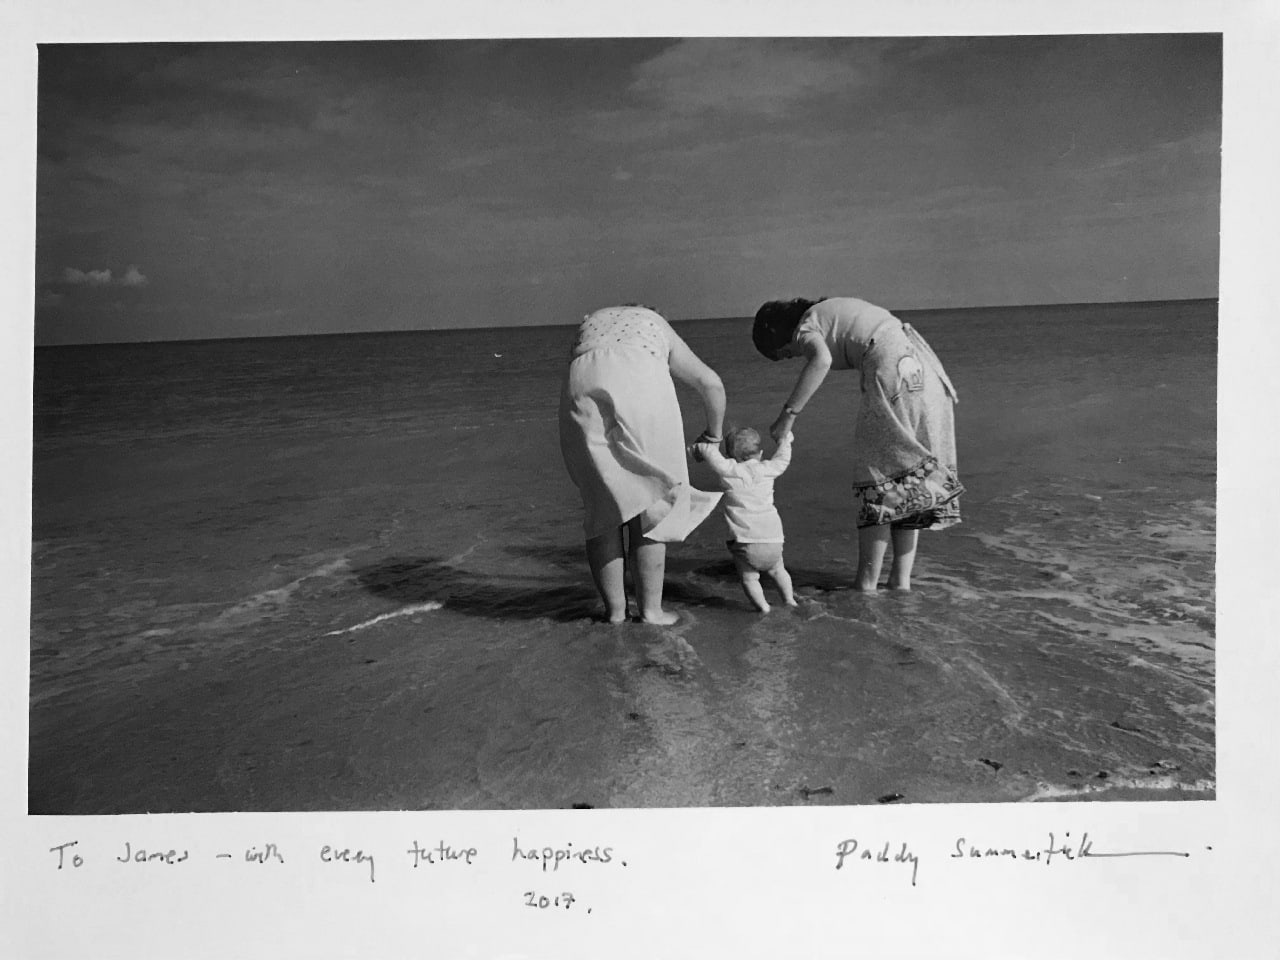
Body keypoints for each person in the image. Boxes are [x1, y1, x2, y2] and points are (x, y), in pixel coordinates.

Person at [751, 296, 962, 592]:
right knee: (907, 475)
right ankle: (900, 582)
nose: (792, 354)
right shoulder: (829, 311)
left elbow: (821, 360)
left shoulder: (807, 325)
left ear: (778, 333)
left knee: (878, 477)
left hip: (891, 364)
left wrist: (788, 416)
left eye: (783, 353)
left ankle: (867, 584)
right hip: (919, 363)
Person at [559, 304, 726, 625]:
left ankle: (615, 613)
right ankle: (651, 611)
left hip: (580, 385)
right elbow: (711, 384)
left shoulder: (591, 321)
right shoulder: (656, 322)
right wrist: (713, 436)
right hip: (641, 380)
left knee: (603, 509)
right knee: (654, 506)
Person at [694, 426, 797, 613]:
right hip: (773, 539)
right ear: (761, 453)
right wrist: (785, 440)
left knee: (750, 578)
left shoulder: (730, 470)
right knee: (778, 571)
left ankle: (764, 607)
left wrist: (700, 448)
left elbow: (713, 457)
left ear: (731, 456)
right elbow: (783, 459)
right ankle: (790, 600)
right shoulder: (768, 469)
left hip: (746, 542)